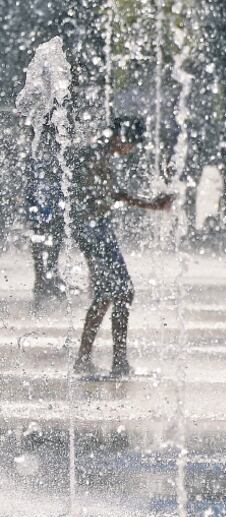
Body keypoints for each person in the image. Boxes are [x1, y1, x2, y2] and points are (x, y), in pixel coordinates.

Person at [71, 116, 173, 377]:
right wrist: (152, 204)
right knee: (119, 292)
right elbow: (111, 195)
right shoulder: (94, 153)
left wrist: (152, 204)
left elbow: (113, 194)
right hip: (93, 231)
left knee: (112, 293)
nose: (131, 150)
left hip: (97, 229)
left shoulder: (99, 152)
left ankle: (104, 360)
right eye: (132, 144)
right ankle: (109, 361)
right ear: (121, 137)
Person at [25, 121, 67, 304]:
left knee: (47, 235)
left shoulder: (38, 143)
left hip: (46, 194)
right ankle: (44, 276)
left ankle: (46, 275)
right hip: (42, 194)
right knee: (44, 235)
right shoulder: (40, 142)